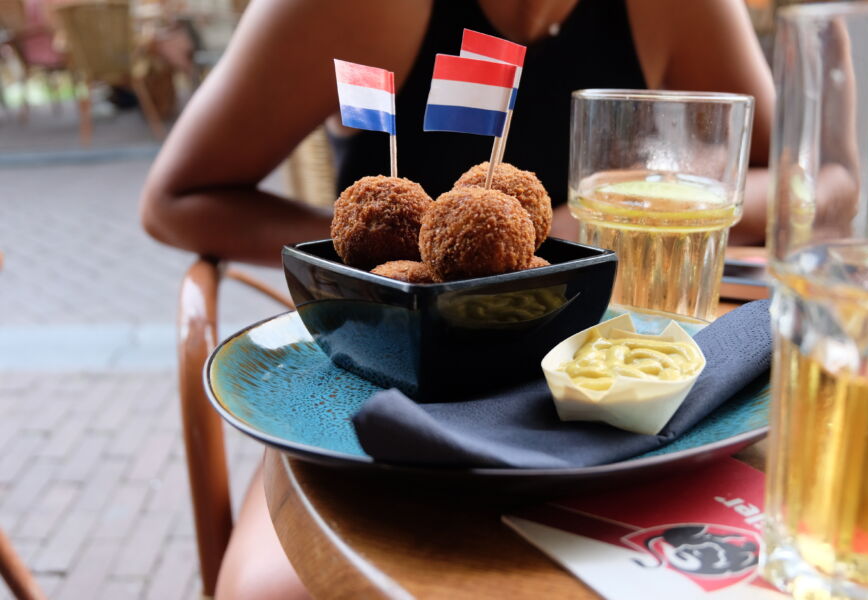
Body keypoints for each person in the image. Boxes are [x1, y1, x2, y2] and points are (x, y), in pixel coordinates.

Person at [140, 1, 774, 597]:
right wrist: (366, 268)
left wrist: (594, 219)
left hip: (606, 379)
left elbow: (815, 178)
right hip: (373, 396)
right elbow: (177, 199)